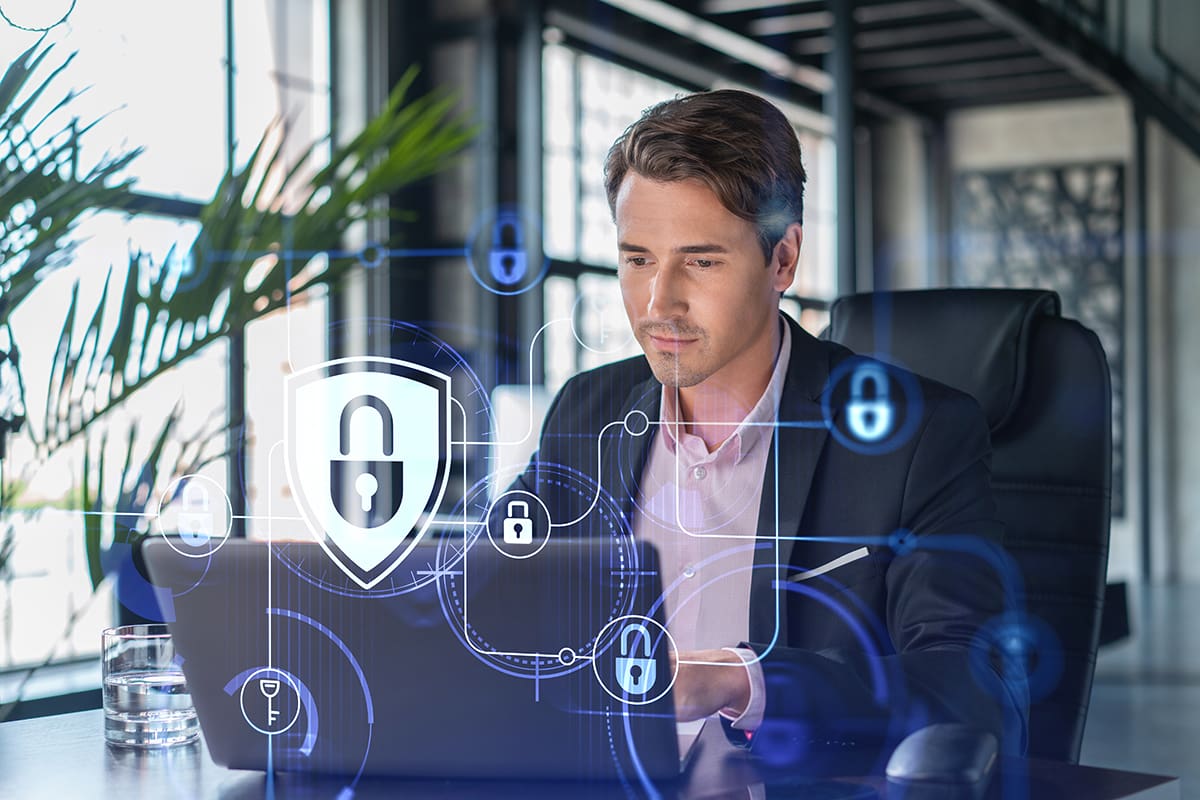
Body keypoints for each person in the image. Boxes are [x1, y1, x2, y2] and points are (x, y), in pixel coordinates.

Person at [508, 89, 1027, 755]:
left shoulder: (920, 438)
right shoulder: (587, 411)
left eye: (700, 261)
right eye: (638, 259)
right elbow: (494, 601)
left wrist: (746, 682)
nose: (658, 302)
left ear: (782, 260)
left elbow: (973, 686)